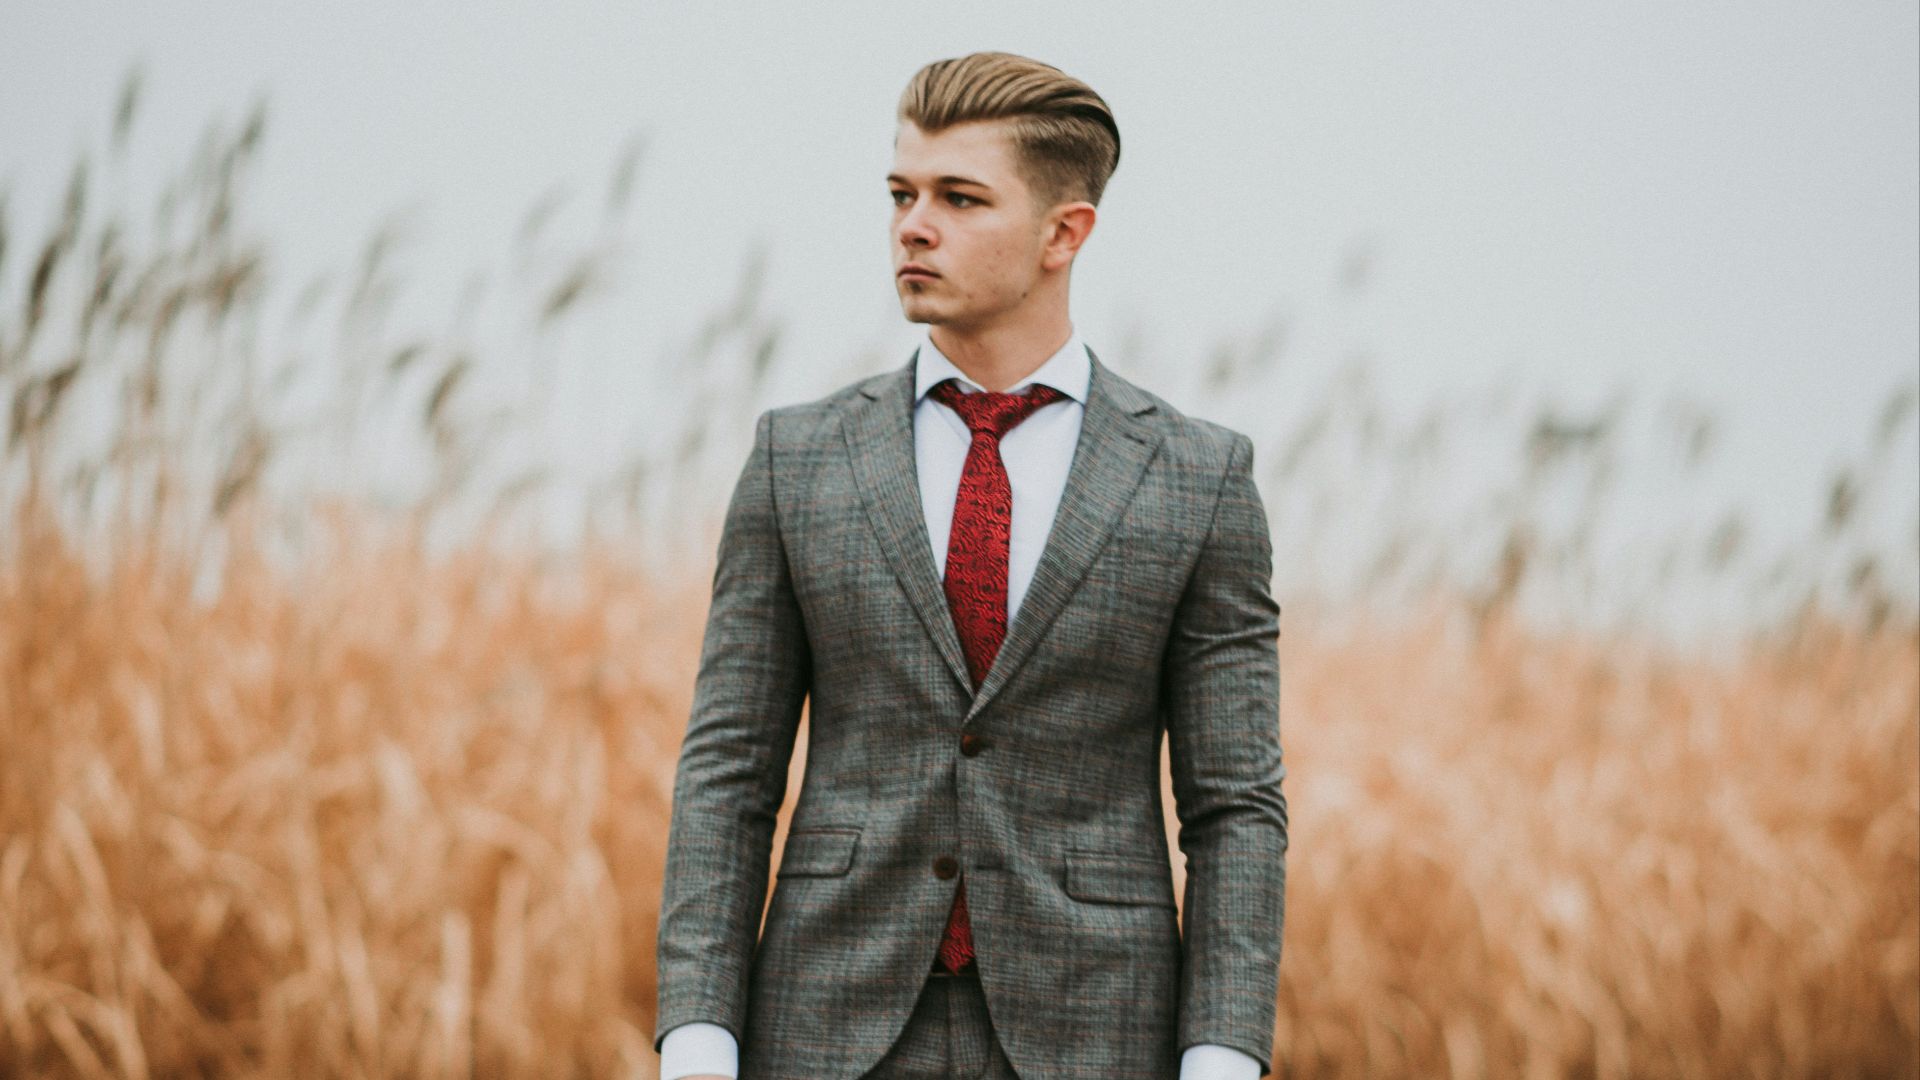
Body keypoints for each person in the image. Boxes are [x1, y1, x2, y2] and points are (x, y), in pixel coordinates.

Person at [652, 51, 1286, 1080]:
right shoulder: (796, 457)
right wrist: (698, 1038)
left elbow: (1235, 808)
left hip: (1097, 1034)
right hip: (822, 1029)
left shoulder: (1198, 479)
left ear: (1063, 233)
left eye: (959, 197)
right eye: (902, 193)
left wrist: (1222, 1058)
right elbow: (728, 772)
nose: (913, 224)